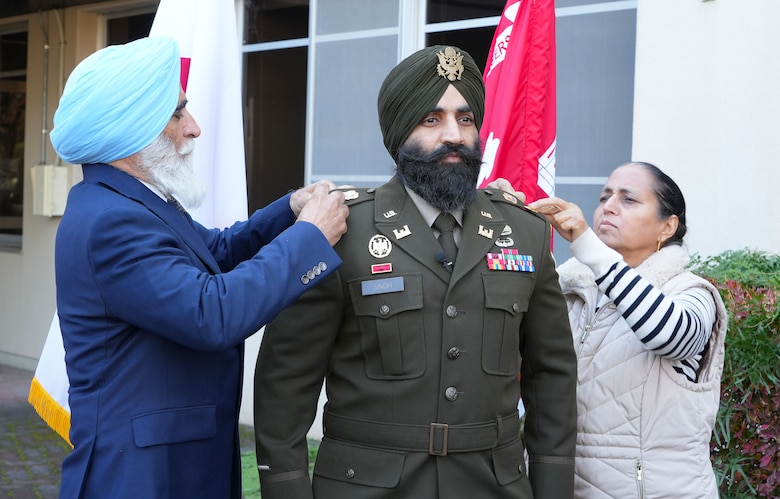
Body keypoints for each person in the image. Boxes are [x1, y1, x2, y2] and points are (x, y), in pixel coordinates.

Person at [253, 45, 577, 499]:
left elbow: (551, 376)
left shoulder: (522, 230)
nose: (454, 135)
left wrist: (553, 486)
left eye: (465, 119)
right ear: (399, 132)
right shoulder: (340, 230)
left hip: (493, 486)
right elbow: (285, 384)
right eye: (432, 120)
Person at [49, 36, 349, 498]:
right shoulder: (112, 220)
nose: (193, 128)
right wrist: (309, 238)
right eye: (177, 113)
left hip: (174, 464)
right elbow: (212, 314)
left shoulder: (131, 200)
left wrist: (290, 209)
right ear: (130, 128)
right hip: (139, 478)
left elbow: (217, 251)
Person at [528, 162, 727, 498]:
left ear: (667, 226)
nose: (609, 206)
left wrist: (590, 248)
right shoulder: (568, 291)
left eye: (628, 200)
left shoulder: (692, 293)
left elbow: (672, 337)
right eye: (604, 197)